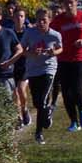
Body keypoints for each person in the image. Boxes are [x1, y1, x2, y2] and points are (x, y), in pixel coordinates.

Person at [52, 0, 82, 131]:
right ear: (63, 4)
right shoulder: (58, 20)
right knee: (66, 92)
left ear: (77, 2)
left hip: (80, 57)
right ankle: (74, 122)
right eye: (66, 3)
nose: (69, 5)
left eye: (71, 2)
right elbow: (50, 35)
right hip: (64, 58)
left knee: (76, 88)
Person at [21, 9, 63, 144]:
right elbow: (21, 50)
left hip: (48, 69)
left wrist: (54, 52)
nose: (41, 22)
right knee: (37, 102)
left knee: (42, 100)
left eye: (44, 20)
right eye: (38, 20)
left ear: (49, 20)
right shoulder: (30, 33)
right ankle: (48, 112)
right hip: (33, 70)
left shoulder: (55, 35)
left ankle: (38, 133)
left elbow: (60, 48)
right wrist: (31, 52)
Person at [9, 4, 32, 128]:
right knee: (15, 93)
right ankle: (18, 117)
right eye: (17, 16)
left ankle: (25, 109)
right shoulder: (9, 32)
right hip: (13, 65)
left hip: (25, 65)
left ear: (24, 18)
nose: (19, 19)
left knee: (21, 90)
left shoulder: (29, 32)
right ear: (13, 18)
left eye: (22, 16)